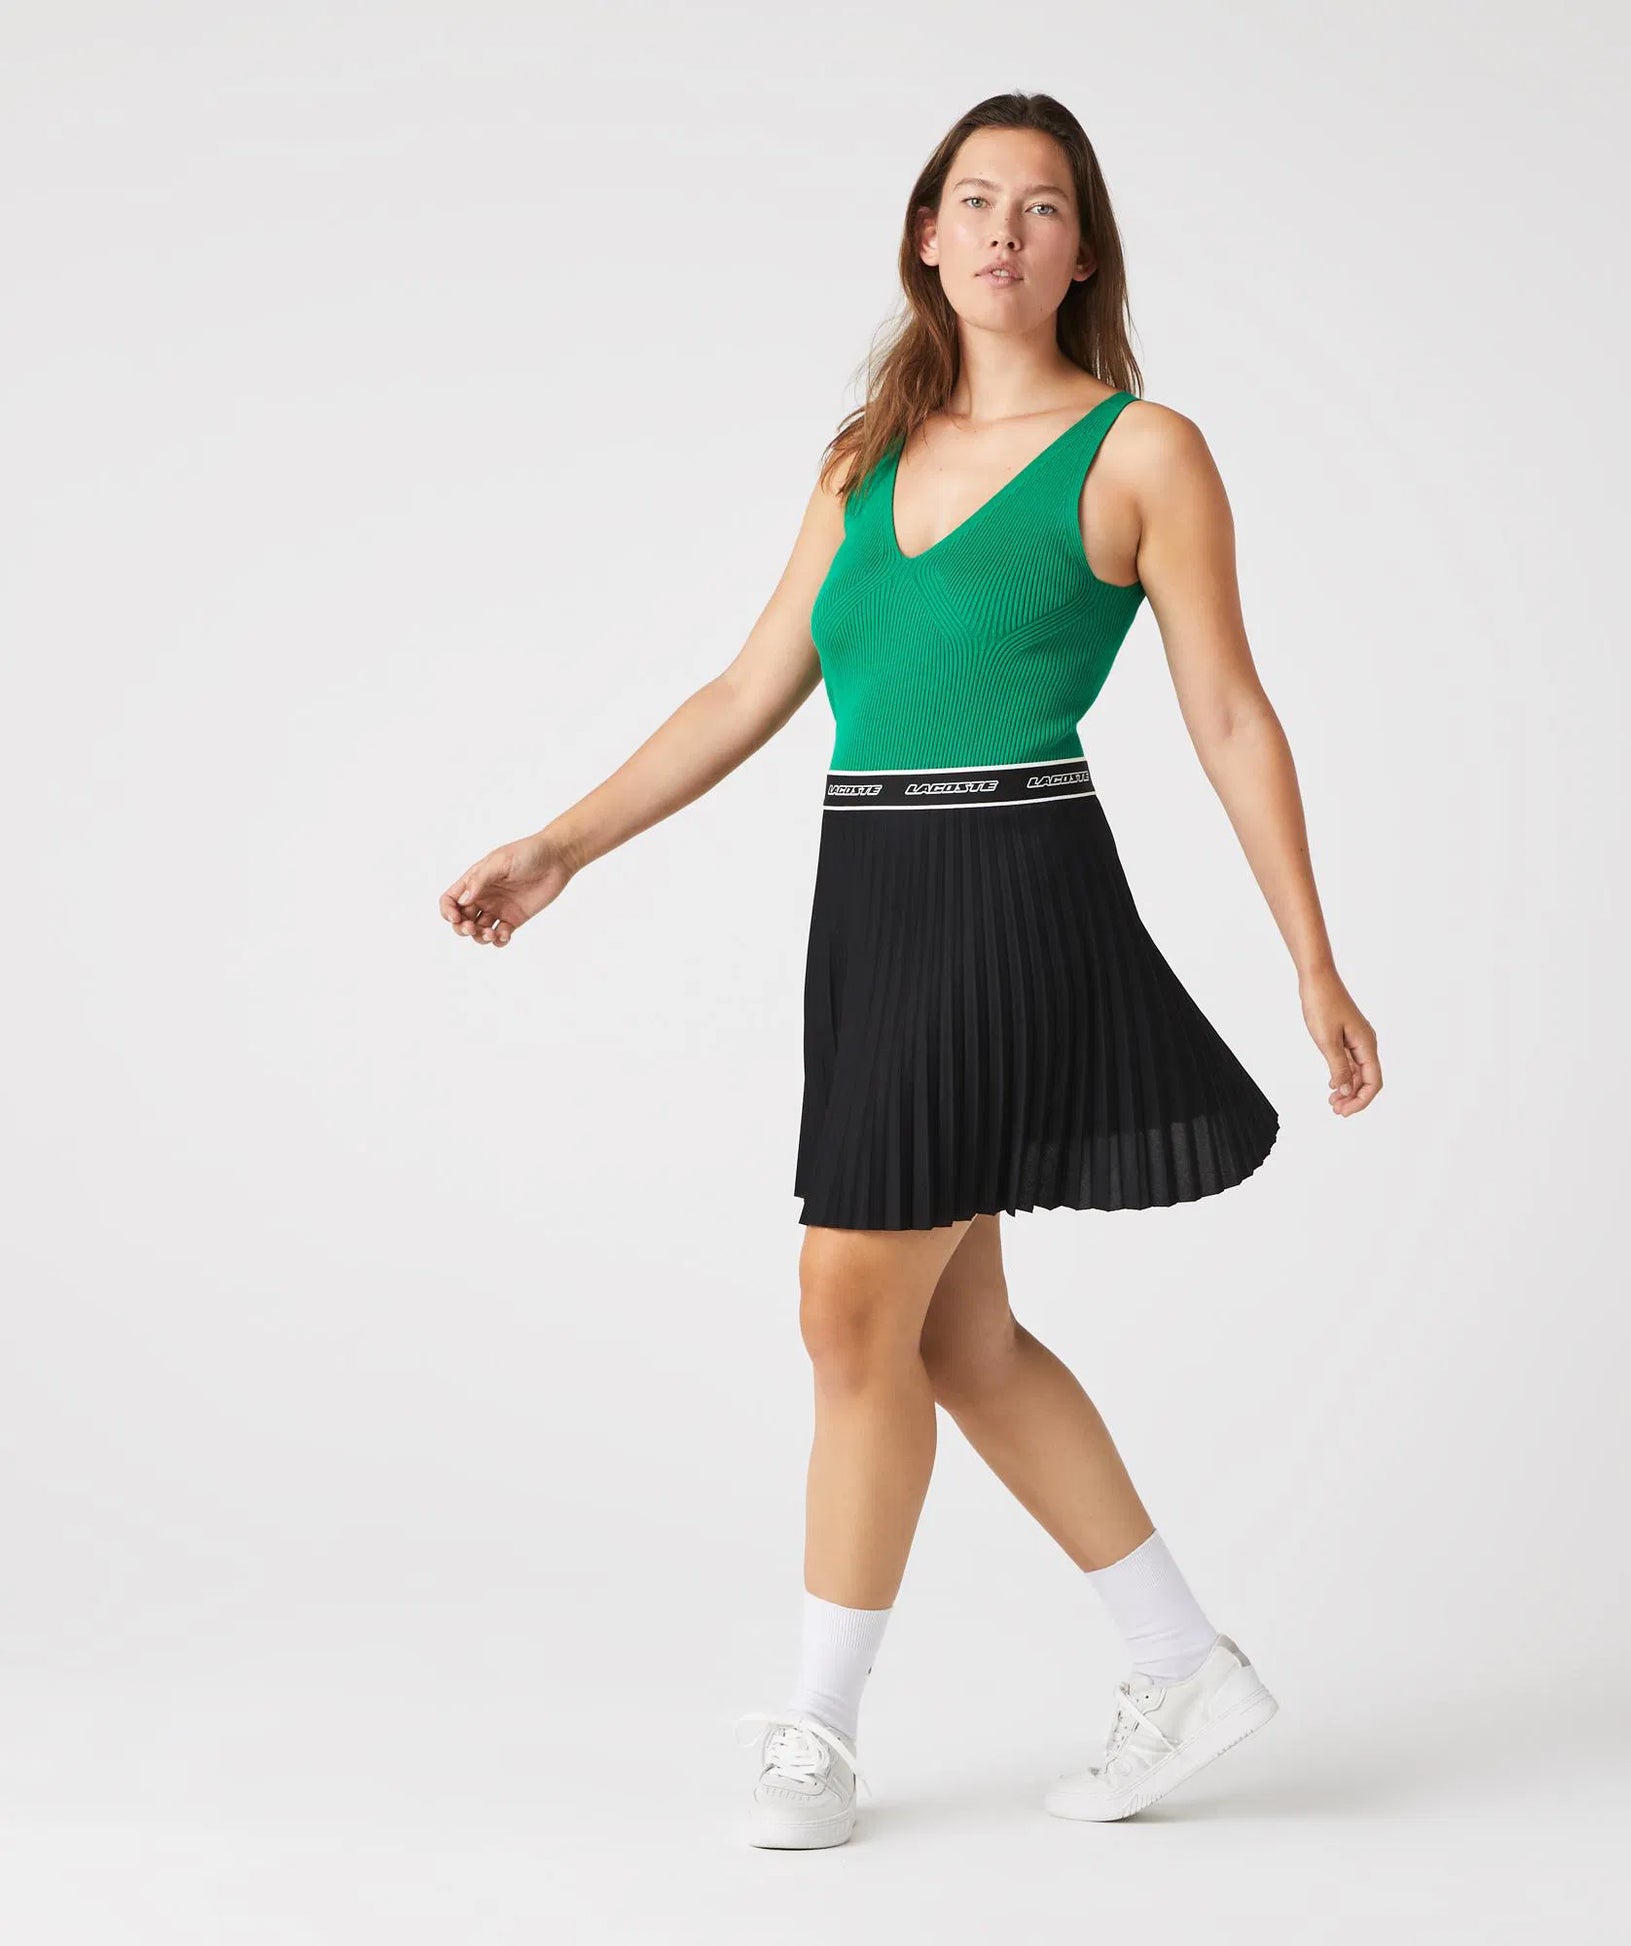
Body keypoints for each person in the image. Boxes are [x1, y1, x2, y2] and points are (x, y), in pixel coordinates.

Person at [437, 92, 1382, 1849]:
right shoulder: (859, 457)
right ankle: (1182, 1662)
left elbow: (1229, 711)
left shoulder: (1141, 452)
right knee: (959, 1332)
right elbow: (748, 689)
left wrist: (1311, 960)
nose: (1006, 230)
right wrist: (562, 844)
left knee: (843, 1304)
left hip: (1012, 890)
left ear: (1081, 251)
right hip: (870, 900)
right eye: (976, 200)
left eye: (1044, 205)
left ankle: (816, 1726)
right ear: (926, 238)